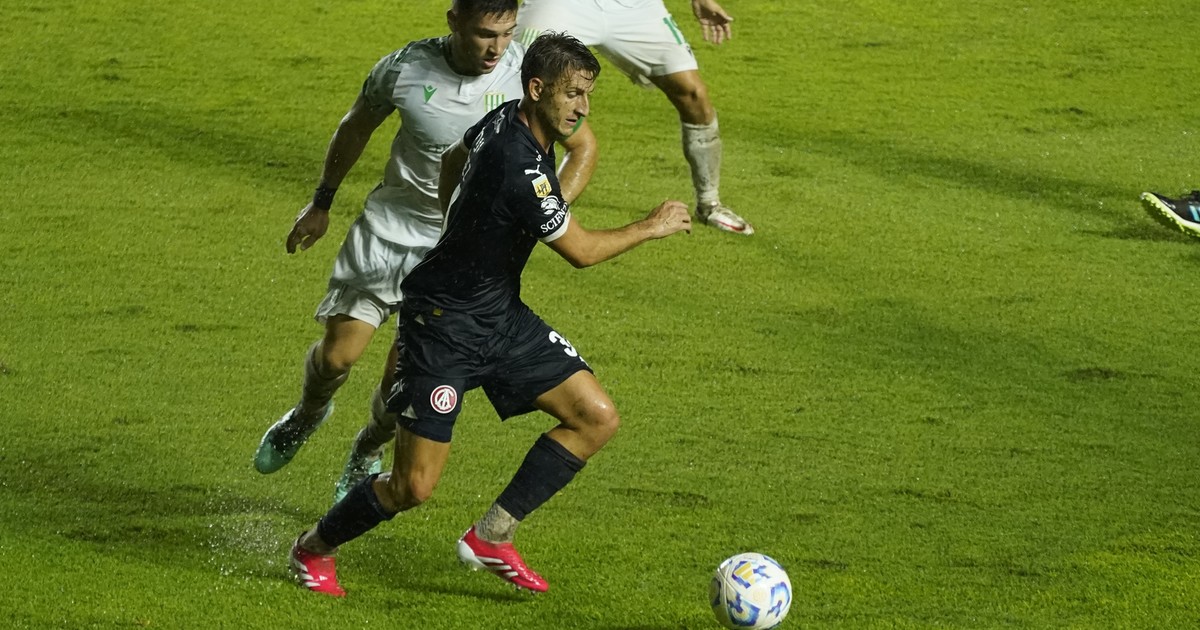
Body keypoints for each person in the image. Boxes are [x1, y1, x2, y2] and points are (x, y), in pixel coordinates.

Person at [287, 31, 692, 597]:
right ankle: (312, 547)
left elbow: (453, 159)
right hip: (441, 328)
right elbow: (580, 252)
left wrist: (462, 221)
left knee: (595, 418)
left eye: (588, 95)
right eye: (573, 93)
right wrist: (651, 225)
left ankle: (493, 534)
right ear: (537, 89)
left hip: (499, 314)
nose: (583, 108)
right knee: (411, 487)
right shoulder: (519, 165)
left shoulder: (504, 117)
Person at [252, 0, 599, 504]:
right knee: (336, 356)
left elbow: (583, 147)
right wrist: (321, 202)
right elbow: (357, 125)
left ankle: (367, 448)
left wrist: (546, 211)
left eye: (506, 34)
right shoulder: (404, 68)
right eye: (485, 34)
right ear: (454, 21)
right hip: (389, 230)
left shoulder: (527, 77)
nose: (497, 48)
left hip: (456, 261)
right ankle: (307, 413)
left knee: (400, 385)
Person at [515, 0, 753, 235]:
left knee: (693, 94)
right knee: (519, 80)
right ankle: (520, 202)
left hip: (637, 7)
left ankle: (709, 203)